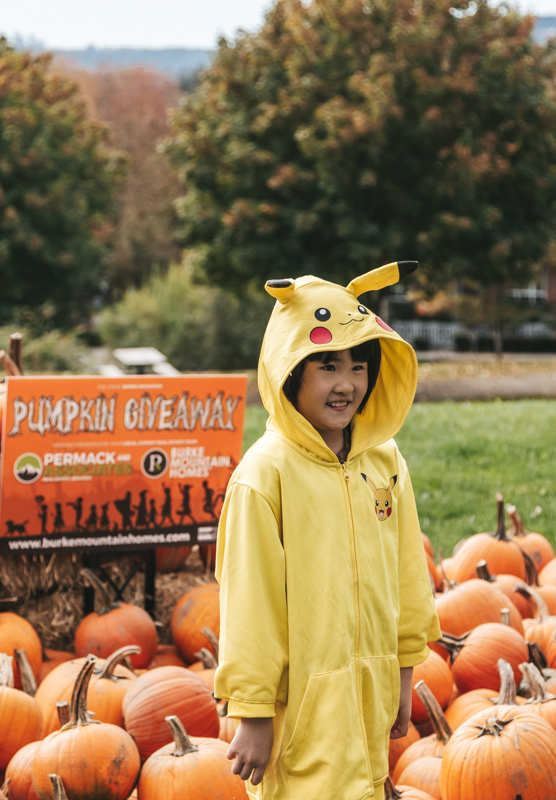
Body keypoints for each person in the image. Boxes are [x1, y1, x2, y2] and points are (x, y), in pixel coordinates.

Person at [214, 261, 441, 799]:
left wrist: (403, 674)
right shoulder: (265, 475)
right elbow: (251, 602)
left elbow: (407, 571)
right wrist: (252, 711)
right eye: (328, 367)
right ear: (289, 371)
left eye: (359, 367)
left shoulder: (382, 461)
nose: (347, 385)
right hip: (301, 715)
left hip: (370, 695)